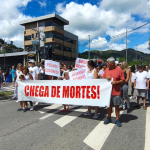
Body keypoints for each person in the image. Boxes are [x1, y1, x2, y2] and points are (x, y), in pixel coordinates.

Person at [103, 57, 125, 127]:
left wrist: (116, 82)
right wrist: (106, 77)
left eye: (108, 63)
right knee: (109, 106)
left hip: (116, 92)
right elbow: (103, 78)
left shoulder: (119, 70)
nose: (107, 64)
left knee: (116, 106)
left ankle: (117, 119)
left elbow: (123, 80)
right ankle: (109, 118)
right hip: (108, 92)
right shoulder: (106, 70)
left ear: (112, 63)